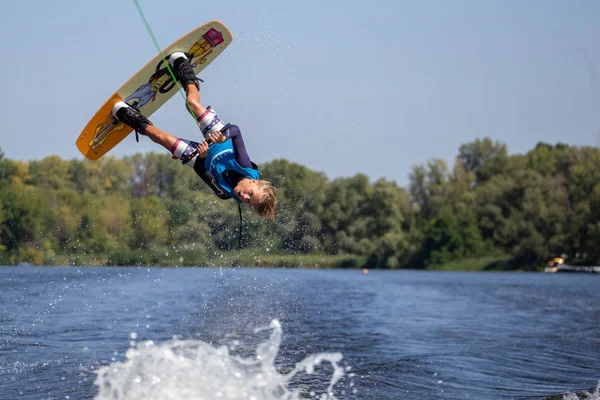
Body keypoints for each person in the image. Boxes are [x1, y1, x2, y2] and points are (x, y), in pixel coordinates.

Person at [110, 52, 277, 220]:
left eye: (248, 202)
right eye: (250, 194)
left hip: (201, 159)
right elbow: (236, 131)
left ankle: (129, 115)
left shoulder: (224, 193)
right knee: (191, 104)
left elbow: (200, 170)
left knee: (163, 139)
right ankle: (184, 69)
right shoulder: (245, 166)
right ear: (254, 182)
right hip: (219, 139)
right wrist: (222, 137)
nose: (244, 197)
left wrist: (204, 156)